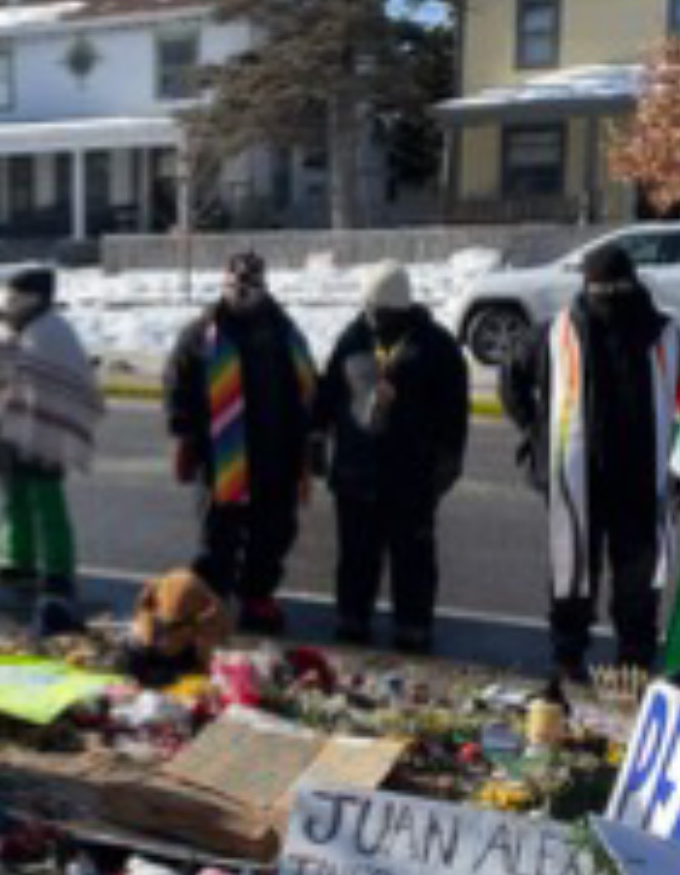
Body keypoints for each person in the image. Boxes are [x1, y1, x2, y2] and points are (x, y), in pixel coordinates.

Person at [500, 243, 680, 682]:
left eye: (614, 294)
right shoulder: (556, 333)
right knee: (573, 569)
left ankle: (634, 658)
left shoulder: (666, 337)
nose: (609, 305)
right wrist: (536, 432)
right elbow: (512, 377)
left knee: (637, 579)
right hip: (576, 478)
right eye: (602, 294)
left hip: (641, 482)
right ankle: (570, 654)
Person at [316, 261, 470, 653]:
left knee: (413, 560)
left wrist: (448, 462)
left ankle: (413, 628)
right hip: (355, 475)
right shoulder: (352, 339)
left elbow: (454, 413)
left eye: (379, 309)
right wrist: (315, 440)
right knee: (355, 559)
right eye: (369, 307)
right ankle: (352, 622)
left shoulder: (435, 346)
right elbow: (328, 395)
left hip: (411, 478)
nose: (372, 315)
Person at [164, 252, 319, 635]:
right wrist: (183, 435)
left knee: (273, 532)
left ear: (264, 288)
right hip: (221, 457)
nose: (242, 293)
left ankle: (256, 598)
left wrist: (309, 452)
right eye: (235, 286)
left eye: (250, 286)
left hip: (274, 454)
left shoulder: (285, 334)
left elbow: (308, 394)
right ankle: (212, 600)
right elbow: (177, 385)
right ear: (224, 285)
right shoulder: (201, 335)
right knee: (219, 534)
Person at [0, 266, 105, 600]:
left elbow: (78, 379)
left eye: (15, 297)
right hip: (7, 424)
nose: (7, 303)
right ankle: (19, 561)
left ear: (36, 299)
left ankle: (59, 570)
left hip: (45, 428)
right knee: (13, 498)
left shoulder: (54, 332)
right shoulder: (3, 328)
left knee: (47, 500)